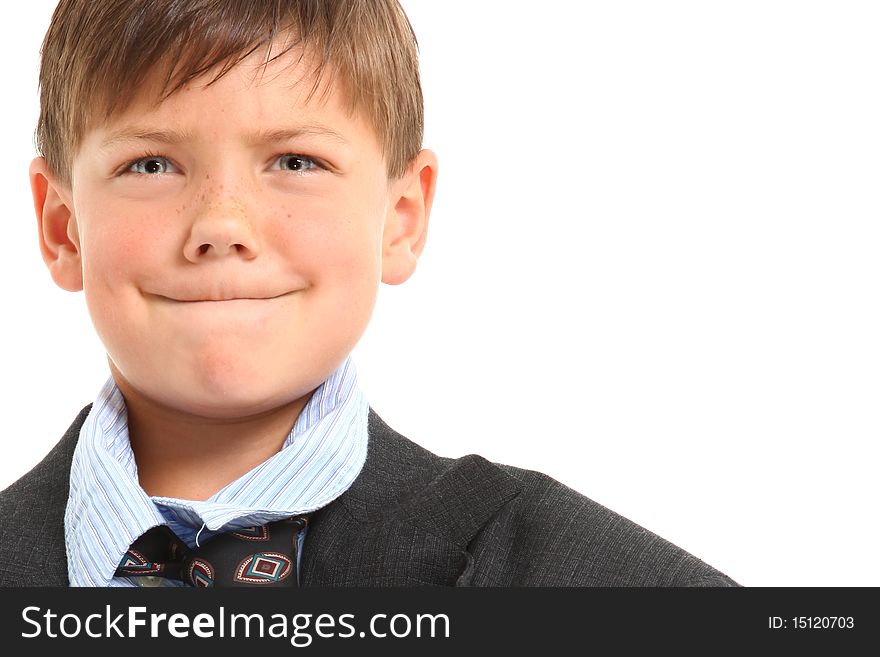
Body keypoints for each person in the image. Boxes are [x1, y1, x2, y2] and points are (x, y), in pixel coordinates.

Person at [0, 0, 736, 587]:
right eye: (151, 165)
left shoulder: (601, 587)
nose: (221, 224)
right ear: (62, 226)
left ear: (401, 219)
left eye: (296, 159)